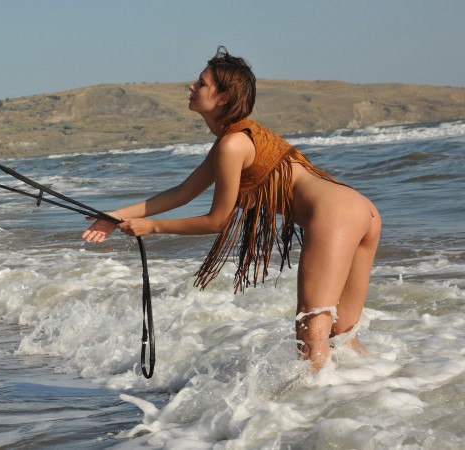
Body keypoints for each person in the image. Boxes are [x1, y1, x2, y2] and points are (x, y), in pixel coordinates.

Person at [82, 46, 381, 371]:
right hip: (362, 210)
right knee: (342, 336)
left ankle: (315, 411)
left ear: (223, 97)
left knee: (311, 332)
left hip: (336, 214)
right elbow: (182, 193)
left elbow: (216, 221)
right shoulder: (235, 139)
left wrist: (152, 227)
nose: (191, 88)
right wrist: (114, 217)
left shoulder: (231, 144)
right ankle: (373, 389)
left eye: (202, 84)